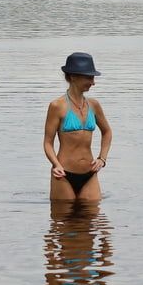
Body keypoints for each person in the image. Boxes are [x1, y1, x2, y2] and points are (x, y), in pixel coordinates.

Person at [43, 52, 112, 201]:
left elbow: (107, 132)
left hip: (90, 174)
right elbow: (48, 143)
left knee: (95, 219)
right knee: (64, 221)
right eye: (89, 77)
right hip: (63, 174)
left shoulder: (94, 105)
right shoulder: (57, 106)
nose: (93, 82)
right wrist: (56, 165)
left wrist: (102, 159)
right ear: (73, 77)